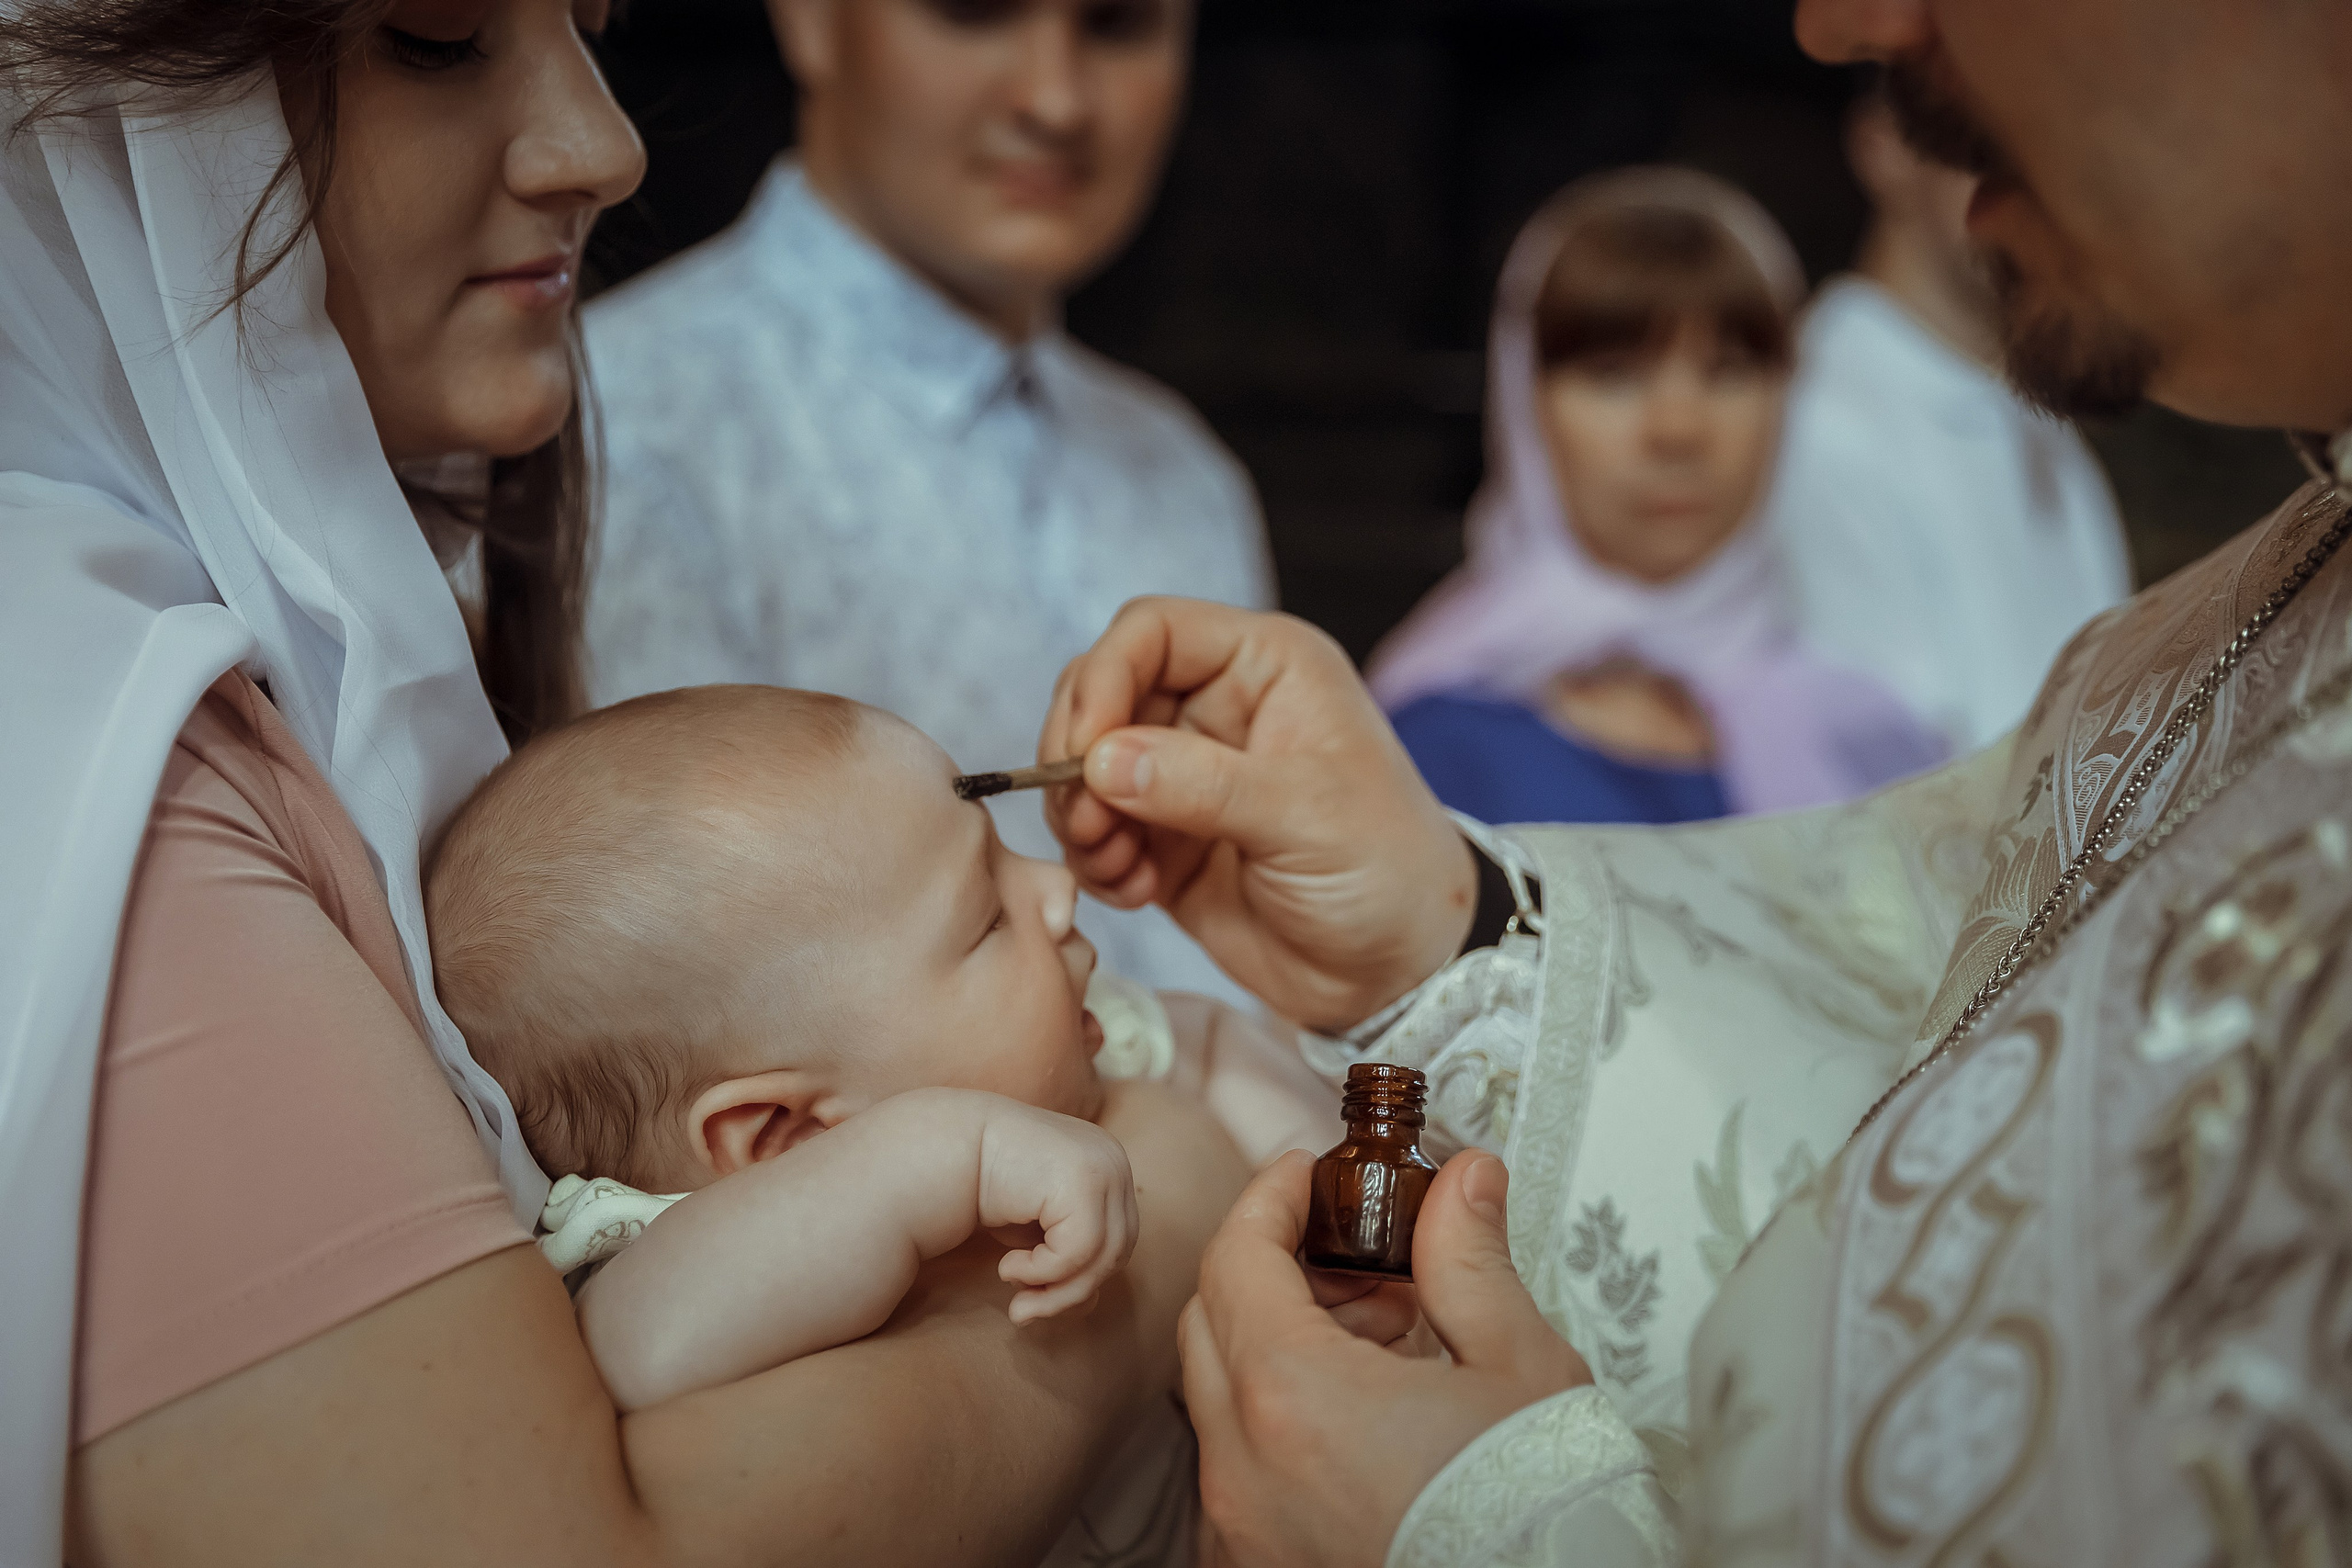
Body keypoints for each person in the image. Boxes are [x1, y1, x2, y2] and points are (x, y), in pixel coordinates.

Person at [1029, 0, 2352, 1556]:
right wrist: (1456, 931)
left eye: (1734, 363)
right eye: (1611, 366)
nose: (1841, 21)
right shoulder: (2218, 630)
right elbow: (1927, 1006)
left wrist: (1509, 1522)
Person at [0, 3, 1245, 1562]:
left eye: (590, 26)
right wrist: (1182, 1192)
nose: (609, 145)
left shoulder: (376, 637)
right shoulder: (87, 747)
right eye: (440, 34)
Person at [582, 0, 1271, 1006]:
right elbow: (715, 1016)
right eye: (972, 11)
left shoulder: (1183, 470)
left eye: (1118, 26)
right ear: (811, 20)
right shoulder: (632, 427)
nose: (1054, 99)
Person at [423, 687, 1331, 1402]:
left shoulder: (1093, 1041)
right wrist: (943, 1152)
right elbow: (639, 1358)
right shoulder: (655, 1256)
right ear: (782, 1138)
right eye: (984, 919)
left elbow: (1212, 1048)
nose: (1057, 890)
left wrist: (1340, 1216)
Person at [1368, 168, 1946, 825]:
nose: (1679, 429)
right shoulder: (1418, 752)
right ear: (1523, 403)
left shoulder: (1868, 736)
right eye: (1614, 375)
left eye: (1728, 370)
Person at [1762, 79, 2132, 753]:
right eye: (1992, 141)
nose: (2034, 183)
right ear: (1886, 148)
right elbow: (1884, 804)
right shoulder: (1817, 420)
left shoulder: (2042, 429)